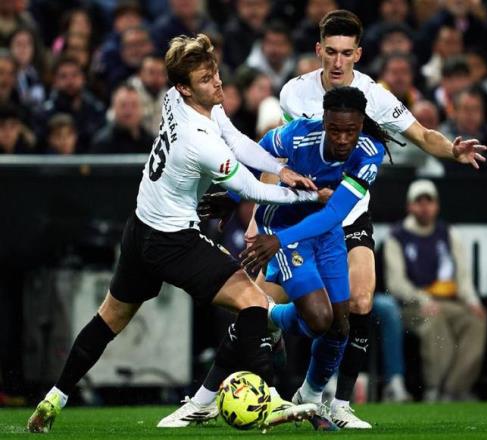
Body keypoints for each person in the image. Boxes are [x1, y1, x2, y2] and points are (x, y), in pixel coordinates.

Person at [27, 33, 321, 434]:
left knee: (109, 319)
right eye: (206, 79)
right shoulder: (198, 142)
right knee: (254, 302)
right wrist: (306, 194)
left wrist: (280, 168)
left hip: (140, 228)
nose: (217, 83)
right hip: (172, 239)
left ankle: (54, 398)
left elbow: (236, 139)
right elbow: (251, 190)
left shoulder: (176, 100)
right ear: (185, 87)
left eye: (215, 74)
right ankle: (267, 397)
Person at [276, 9, 486, 429]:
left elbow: (422, 135)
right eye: (330, 52)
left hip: (350, 211)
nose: (338, 62)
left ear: (358, 53)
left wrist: (452, 150)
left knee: (361, 302)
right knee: (297, 309)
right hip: (305, 213)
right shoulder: (294, 94)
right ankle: (246, 386)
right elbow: (287, 152)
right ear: (319, 50)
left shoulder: (376, 96)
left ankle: (336, 403)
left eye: (346, 53)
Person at [161, 86, 392, 430]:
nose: (343, 139)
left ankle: (309, 397)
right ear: (324, 121)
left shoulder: (370, 152)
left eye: (351, 130)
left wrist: (276, 239)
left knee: (341, 324)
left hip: (324, 231)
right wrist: (234, 196)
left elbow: (333, 215)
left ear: (361, 124)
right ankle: (268, 319)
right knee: (319, 319)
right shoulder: (298, 135)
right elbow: (258, 151)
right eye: (335, 129)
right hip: (283, 226)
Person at [383, 179, 487, 401]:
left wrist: (473, 301)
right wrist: (422, 298)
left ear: (436, 205)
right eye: (419, 202)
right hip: (412, 306)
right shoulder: (397, 236)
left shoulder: (447, 233)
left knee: (477, 321)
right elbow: (396, 282)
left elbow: (463, 275)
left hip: (449, 300)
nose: (424, 207)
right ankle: (434, 388)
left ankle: (453, 389)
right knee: (435, 320)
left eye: (429, 201)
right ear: (410, 206)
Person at [90, 84, 154, 154]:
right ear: (114, 108)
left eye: (134, 105)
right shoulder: (102, 144)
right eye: (123, 105)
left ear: (141, 109)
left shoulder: (152, 143)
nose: (128, 111)